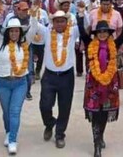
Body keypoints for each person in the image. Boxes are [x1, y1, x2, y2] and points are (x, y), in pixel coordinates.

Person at [33, 10, 83, 149]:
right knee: (45, 105)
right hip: (49, 76)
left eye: (62, 21)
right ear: (52, 23)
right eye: (57, 21)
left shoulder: (73, 32)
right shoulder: (47, 32)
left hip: (66, 76)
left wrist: (83, 12)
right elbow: (35, 25)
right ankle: (49, 124)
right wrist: (33, 12)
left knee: (64, 107)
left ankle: (60, 134)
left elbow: (86, 25)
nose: (60, 23)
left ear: (67, 22)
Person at [0, 18, 30, 155]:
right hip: (2, 84)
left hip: (20, 83)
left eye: (16, 31)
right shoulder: (0, 42)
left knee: (14, 111)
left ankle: (13, 140)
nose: (14, 33)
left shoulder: (25, 43)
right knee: (6, 112)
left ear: (20, 32)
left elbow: (34, 28)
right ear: (7, 32)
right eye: (11, 31)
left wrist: (34, 15)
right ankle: (8, 131)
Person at [84, 20, 123, 157]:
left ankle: (100, 135)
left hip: (109, 85)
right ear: (96, 34)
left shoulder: (114, 44)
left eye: (105, 31)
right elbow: (83, 33)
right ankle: (96, 145)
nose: (102, 34)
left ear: (108, 33)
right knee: (95, 113)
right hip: (93, 85)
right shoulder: (90, 44)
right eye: (99, 31)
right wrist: (81, 15)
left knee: (105, 113)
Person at [29, 0, 49, 79]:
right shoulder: (29, 12)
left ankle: (38, 71)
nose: (36, 4)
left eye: (38, 2)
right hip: (31, 38)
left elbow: (47, 24)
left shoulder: (43, 12)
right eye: (34, 3)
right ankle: (32, 73)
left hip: (42, 39)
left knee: (40, 57)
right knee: (31, 57)